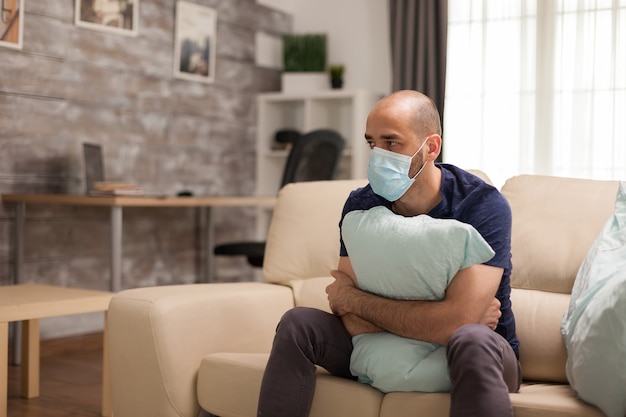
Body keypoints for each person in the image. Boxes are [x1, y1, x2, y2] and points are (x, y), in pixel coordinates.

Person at [257, 90, 521, 417]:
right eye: (372, 143)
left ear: (431, 147)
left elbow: (459, 325)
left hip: (476, 357)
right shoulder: (361, 204)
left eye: (392, 143)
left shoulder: (482, 206)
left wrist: (359, 302)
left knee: (472, 338)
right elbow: (346, 314)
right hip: (379, 349)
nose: (379, 154)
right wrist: (437, 318)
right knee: (298, 323)